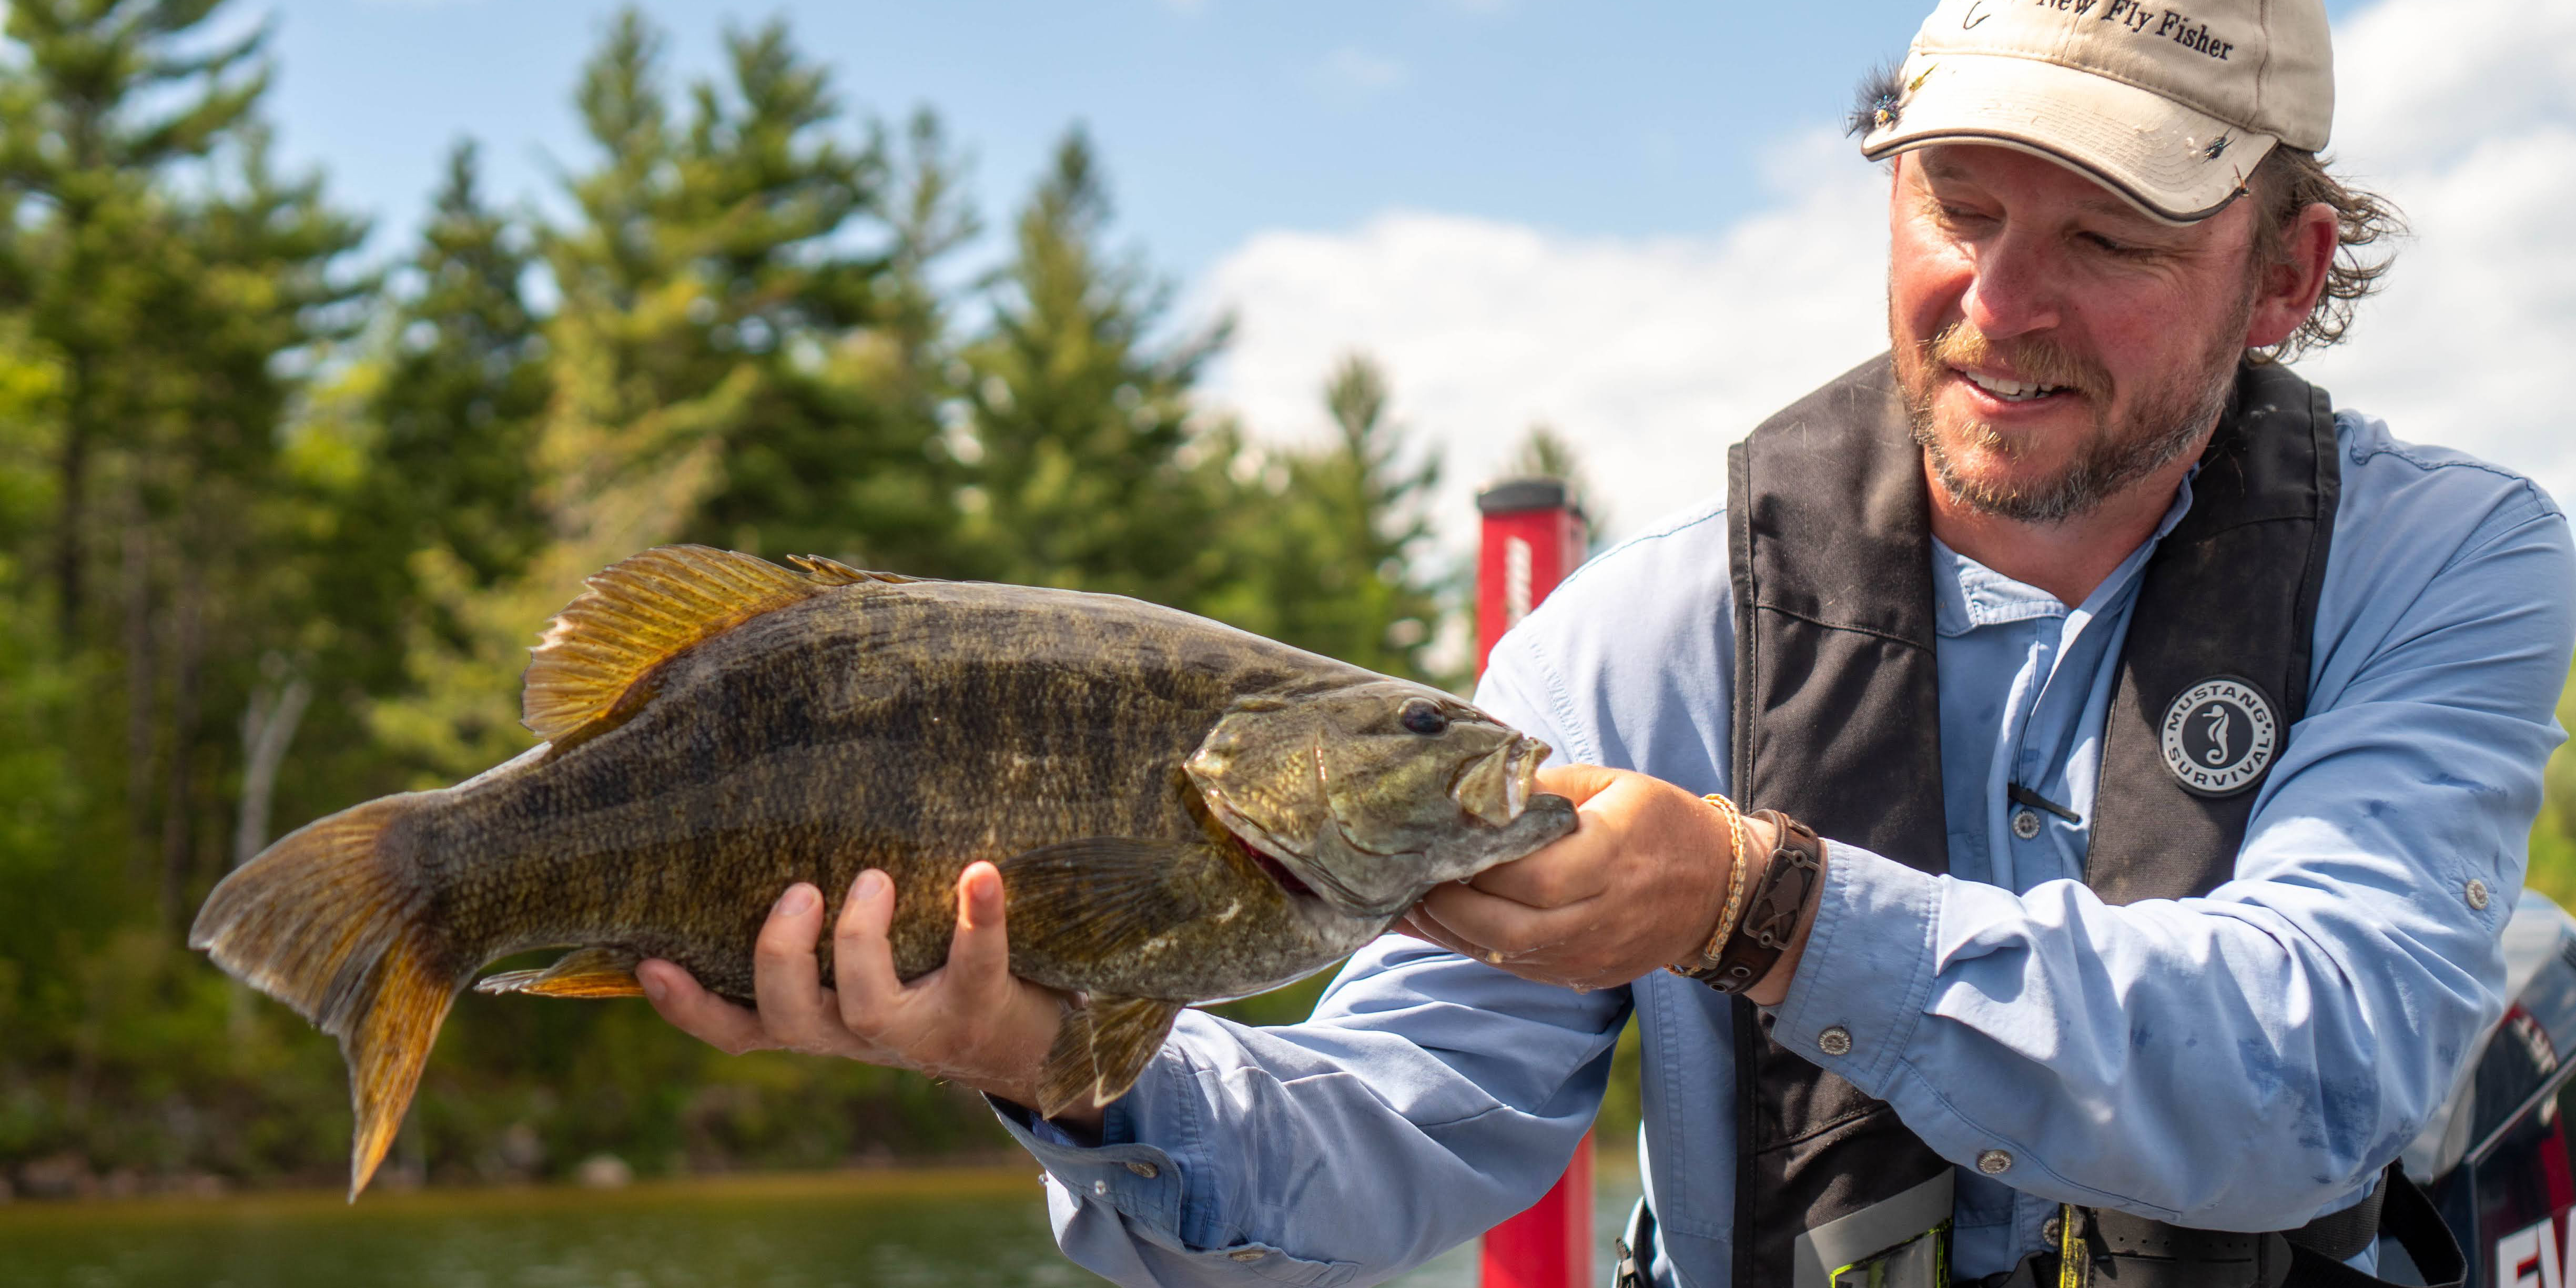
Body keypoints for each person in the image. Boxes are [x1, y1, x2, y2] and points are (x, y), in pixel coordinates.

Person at [634, 0, 2576, 1283]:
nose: (2000, 299)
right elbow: (1390, 1138)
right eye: (1955, 205)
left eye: (2113, 244)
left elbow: (2313, 1065)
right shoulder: (1637, 640)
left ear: (2287, 275)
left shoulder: (2446, 564)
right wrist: (1066, 1066)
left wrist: (1753, 904)